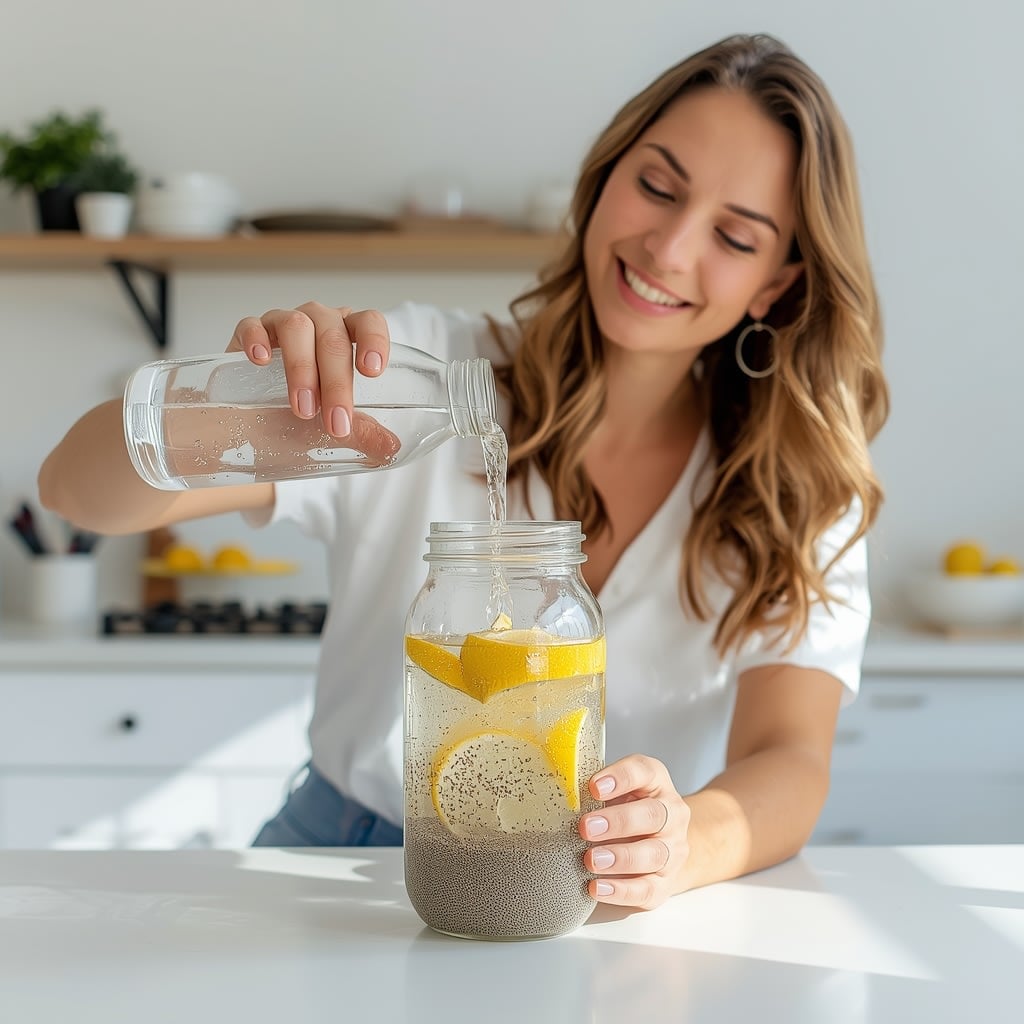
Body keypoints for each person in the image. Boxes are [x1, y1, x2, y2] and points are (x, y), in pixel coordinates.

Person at [39, 32, 888, 911]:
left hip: (598, 887)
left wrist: (682, 843)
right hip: (343, 852)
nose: (670, 248)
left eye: (733, 235)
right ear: (603, 180)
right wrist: (249, 410)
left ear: (776, 285)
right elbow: (74, 490)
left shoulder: (800, 487)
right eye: (657, 186)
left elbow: (789, 757)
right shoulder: (418, 375)